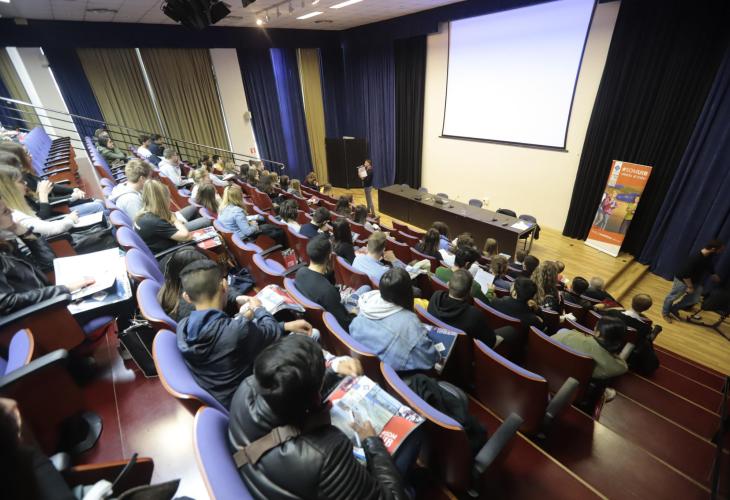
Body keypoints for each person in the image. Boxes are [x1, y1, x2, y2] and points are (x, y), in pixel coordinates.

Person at [228, 334, 407, 499]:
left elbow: (287, 388)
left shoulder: (248, 389)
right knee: (411, 442)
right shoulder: (327, 454)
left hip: (261, 480)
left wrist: (334, 369)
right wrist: (372, 442)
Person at [176, 259, 313, 408]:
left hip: (226, 398)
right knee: (313, 336)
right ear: (224, 285)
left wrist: (285, 326)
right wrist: (258, 309)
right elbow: (271, 331)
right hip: (253, 401)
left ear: (186, 297)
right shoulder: (236, 331)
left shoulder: (183, 327)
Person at [0, 196, 93, 315]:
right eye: (5, 211)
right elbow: (6, 302)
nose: (12, 211)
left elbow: (49, 264)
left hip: (52, 301)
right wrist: (66, 289)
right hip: (43, 316)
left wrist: (24, 233)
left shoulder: (6, 245)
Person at [350, 268, 440, 371]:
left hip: (369, 369)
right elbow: (430, 359)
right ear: (408, 292)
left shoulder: (366, 304)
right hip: (398, 374)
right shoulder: (409, 321)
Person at [296, 235, 360, 330]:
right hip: (342, 324)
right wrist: (355, 312)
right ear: (329, 256)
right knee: (364, 290)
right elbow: (346, 323)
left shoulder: (300, 272)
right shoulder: (328, 291)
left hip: (317, 319)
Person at [428, 269, 504, 347]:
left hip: (436, 341)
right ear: (470, 291)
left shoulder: (436, 296)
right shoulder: (474, 315)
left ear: (448, 284)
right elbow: (491, 342)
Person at [0, 165, 78, 237]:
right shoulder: (14, 214)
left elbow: (41, 223)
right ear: (8, 188)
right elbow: (51, 228)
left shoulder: (17, 205)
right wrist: (70, 219)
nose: (25, 183)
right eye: (20, 181)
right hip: (59, 239)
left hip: (59, 229)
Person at [662, 240, 724, 322]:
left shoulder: (709, 255)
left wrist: (713, 274)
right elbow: (685, 274)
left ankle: (674, 309)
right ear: (713, 249)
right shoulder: (695, 258)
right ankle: (665, 313)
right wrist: (690, 287)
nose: (721, 251)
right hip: (683, 279)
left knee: (694, 299)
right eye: (720, 249)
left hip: (694, 280)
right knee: (673, 297)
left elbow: (709, 264)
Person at [553, 316, 628, 380]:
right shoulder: (612, 364)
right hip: (574, 380)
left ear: (598, 333)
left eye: (596, 326)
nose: (594, 328)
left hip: (552, 368)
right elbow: (623, 367)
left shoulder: (568, 336)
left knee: (562, 330)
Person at [134, 179, 191, 254]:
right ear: (163, 200)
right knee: (204, 221)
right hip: (169, 254)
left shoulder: (142, 214)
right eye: (169, 197)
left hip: (164, 240)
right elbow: (186, 237)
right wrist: (175, 220)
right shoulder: (154, 221)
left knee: (194, 209)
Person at [490, 277, 544, 346]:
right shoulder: (533, 320)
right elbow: (543, 327)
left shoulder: (496, 302)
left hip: (493, 342)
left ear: (514, 292)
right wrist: (537, 310)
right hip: (515, 348)